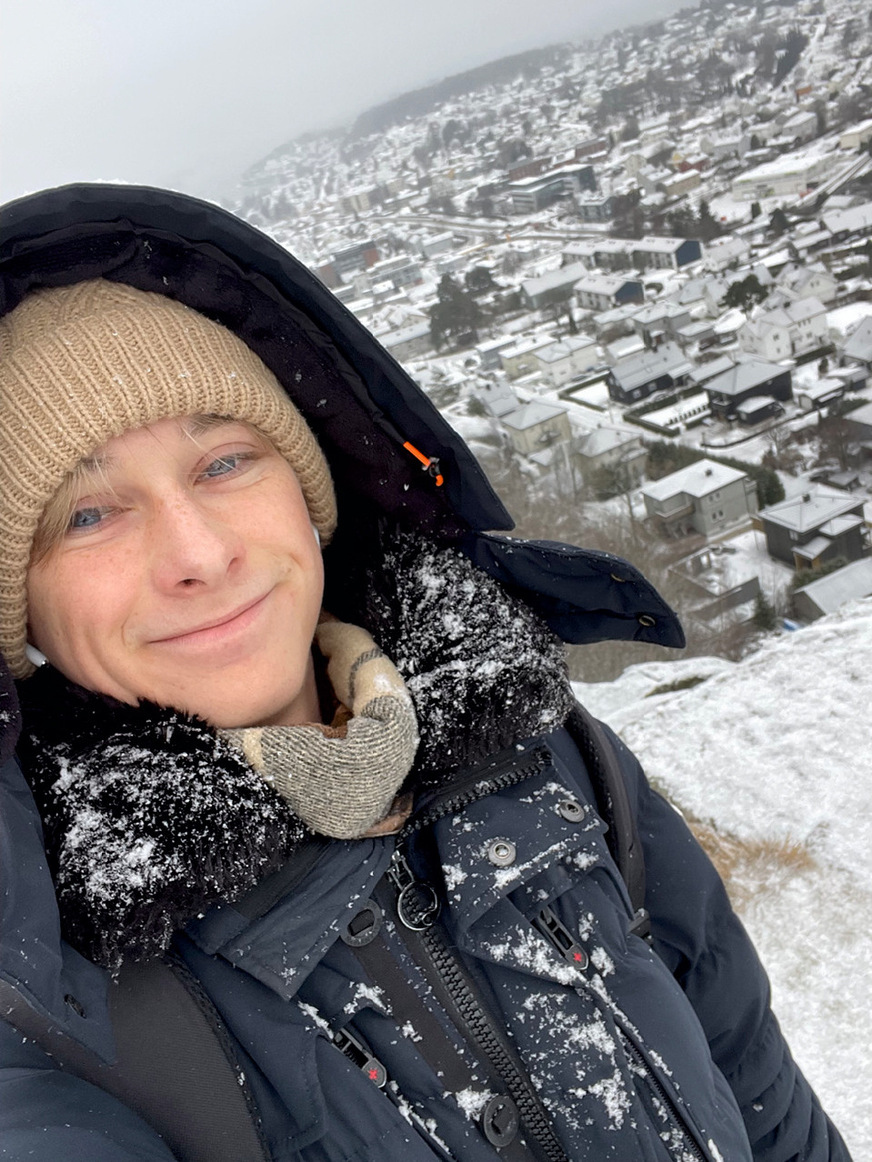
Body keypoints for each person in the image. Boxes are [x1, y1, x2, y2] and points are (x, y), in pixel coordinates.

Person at [0, 184, 850, 1162]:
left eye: (225, 462)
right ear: (20, 607)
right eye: (88, 516)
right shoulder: (47, 1011)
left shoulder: (539, 744)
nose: (199, 551)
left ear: (308, 490)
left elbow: (759, 1097)